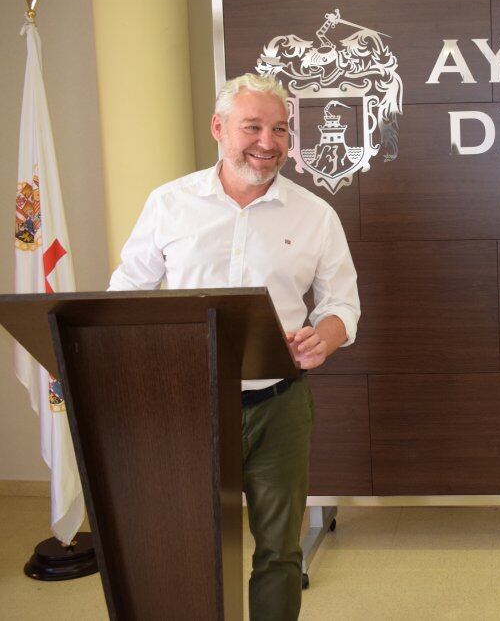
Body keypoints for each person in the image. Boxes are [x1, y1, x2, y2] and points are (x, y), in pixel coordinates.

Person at [109, 73, 360, 620]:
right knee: (185, 546)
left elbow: (344, 306)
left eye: (280, 129)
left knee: (279, 550)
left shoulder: (316, 214)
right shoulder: (170, 204)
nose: (267, 143)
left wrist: (327, 336)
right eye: (253, 127)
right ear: (219, 128)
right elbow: (126, 292)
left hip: (279, 406)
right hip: (184, 407)